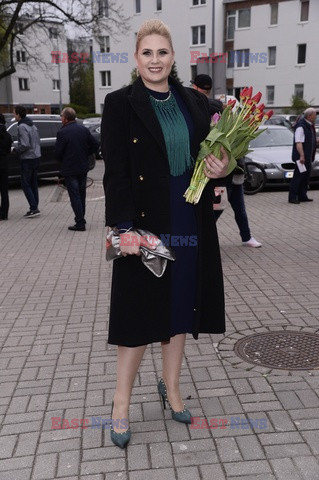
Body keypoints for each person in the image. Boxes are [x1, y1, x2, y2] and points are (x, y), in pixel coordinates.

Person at [101, 19, 230, 449]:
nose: (155, 60)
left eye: (162, 52)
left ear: (173, 57)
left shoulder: (194, 102)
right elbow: (115, 171)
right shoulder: (120, 103)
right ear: (136, 59)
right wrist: (123, 229)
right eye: (146, 53)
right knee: (137, 312)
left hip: (189, 218)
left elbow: (216, 155)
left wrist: (223, 167)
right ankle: (121, 403)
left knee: (180, 308)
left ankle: (171, 388)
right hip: (145, 221)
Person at [55, 107, 99, 231]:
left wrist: (62, 159)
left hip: (70, 169)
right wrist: (86, 153)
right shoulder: (83, 130)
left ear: (66, 118)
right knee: (81, 194)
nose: (60, 118)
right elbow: (95, 144)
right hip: (82, 167)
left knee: (75, 196)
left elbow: (58, 153)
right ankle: (81, 218)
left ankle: (80, 222)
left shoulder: (62, 132)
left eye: (61, 116)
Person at [214, 159, 262, 248]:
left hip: (236, 180)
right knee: (216, 211)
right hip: (222, 181)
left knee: (240, 211)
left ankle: (246, 238)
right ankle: (204, 237)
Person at [13, 105, 41, 217]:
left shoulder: (22, 127)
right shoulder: (32, 125)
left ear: (19, 115)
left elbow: (25, 144)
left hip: (28, 158)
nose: (14, 115)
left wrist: (16, 149)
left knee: (25, 184)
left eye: (14, 113)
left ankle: (33, 208)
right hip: (36, 156)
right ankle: (35, 207)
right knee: (33, 183)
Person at [288, 107, 317, 204]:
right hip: (301, 157)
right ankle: (292, 197)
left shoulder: (309, 126)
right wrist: (302, 156)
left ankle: (302, 195)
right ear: (309, 116)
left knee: (305, 177)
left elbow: (310, 139)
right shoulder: (301, 126)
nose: (315, 117)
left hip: (308, 157)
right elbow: (298, 142)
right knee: (298, 177)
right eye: (314, 115)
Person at [0, 114, 12, 221]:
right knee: (4, 190)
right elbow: (8, 151)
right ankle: (4, 214)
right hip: (3, 164)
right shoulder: (8, 136)